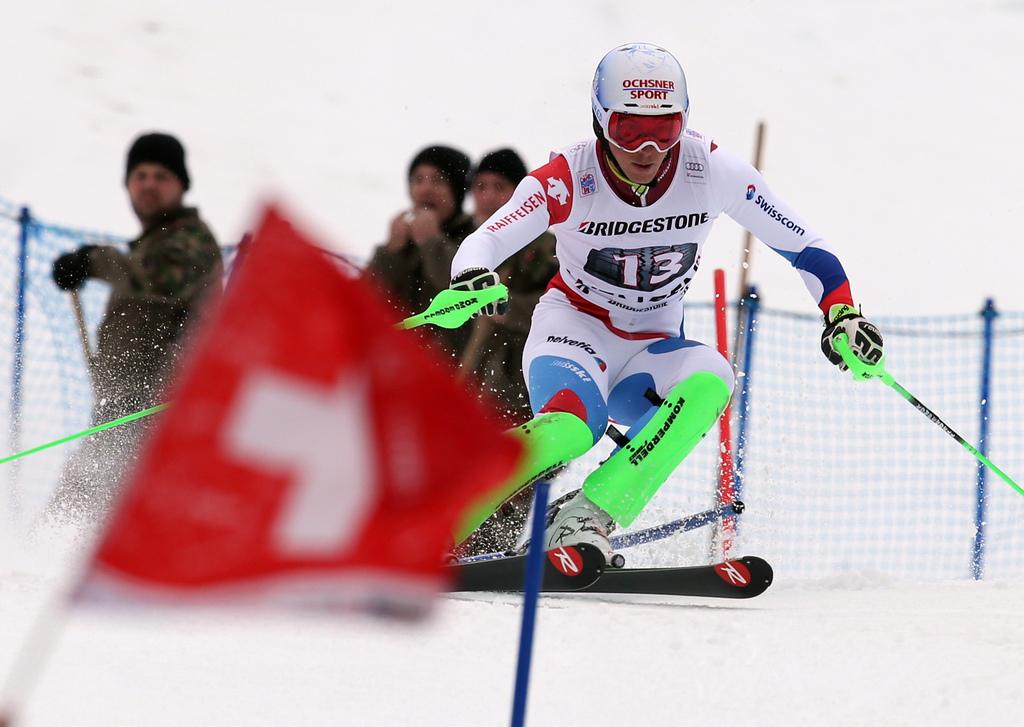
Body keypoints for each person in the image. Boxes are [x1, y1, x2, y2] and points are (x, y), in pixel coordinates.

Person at [448, 43, 884, 564]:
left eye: (665, 128)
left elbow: (805, 246)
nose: (648, 147)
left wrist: (842, 313)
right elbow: (488, 239)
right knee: (571, 429)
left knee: (713, 379)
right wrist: (471, 274)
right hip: (575, 331)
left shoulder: (710, 169)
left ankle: (589, 513)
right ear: (600, 120)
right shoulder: (571, 176)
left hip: (651, 350)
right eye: (630, 130)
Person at [48, 132, 223, 519]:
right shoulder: (150, 244)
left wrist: (94, 261)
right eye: (140, 175)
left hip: (164, 425)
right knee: (65, 526)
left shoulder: (192, 241)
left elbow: (159, 282)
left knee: (102, 530)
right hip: (121, 417)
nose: (148, 184)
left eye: (161, 175)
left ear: (181, 184)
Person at [462, 149, 558, 423]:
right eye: (480, 187)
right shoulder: (466, 245)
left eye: (499, 187)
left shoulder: (544, 246)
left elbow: (561, 302)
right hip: (472, 391)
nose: (488, 197)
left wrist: (508, 308)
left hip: (520, 390)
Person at [365, 145, 475, 361]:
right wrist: (390, 252)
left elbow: (464, 298)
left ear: (458, 191)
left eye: (438, 181)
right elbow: (365, 300)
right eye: (418, 180)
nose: (426, 189)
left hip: (451, 374)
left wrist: (432, 243)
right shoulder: (405, 241)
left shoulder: (476, 239)